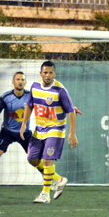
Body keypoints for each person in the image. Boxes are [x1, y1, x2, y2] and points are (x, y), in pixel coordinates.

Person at [20, 61, 78, 204]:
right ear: (41, 74)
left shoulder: (60, 90)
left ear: (54, 74)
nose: (48, 75)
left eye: (50, 72)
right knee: (32, 159)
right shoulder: (35, 87)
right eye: (45, 72)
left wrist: (72, 133)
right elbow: (29, 105)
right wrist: (23, 125)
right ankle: (58, 179)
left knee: (47, 159)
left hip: (56, 129)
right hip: (39, 130)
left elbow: (71, 111)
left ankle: (45, 195)